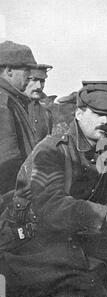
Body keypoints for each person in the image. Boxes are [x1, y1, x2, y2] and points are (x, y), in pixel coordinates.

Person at [0, 84, 107, 297]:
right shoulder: (51, 150)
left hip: (75, 235)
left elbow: (106, 196)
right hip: (32, 242)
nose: (105, 121)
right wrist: (105, 214)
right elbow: (50, 206)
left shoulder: (103, 151)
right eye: (98, 114)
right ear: (79, 114)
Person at [0, 40, 51, 196]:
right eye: (26, 70)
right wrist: (16, 199)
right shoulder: (4, 102)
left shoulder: (13, 100)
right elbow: (8, 160)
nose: (30, 76)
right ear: (9, 71)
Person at [24, 65, 53, 143]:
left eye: (42, 81)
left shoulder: (46, 113)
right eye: (34, 80)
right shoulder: (9, 107)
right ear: (23, 80)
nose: (39, 86)